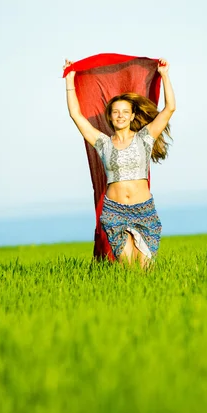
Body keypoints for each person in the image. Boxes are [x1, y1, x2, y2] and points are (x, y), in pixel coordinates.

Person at [64, 58, 176, 267]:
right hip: (114, 212)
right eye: (116, 112)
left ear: (132, 115)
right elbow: (76, 115)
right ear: (111, 116)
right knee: (127, 267)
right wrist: (70, 79)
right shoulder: (103, 143)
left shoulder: (145, 137)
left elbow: (169, 108)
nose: (120, 116)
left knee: (144, 269)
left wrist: (165, 75)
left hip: (143, 211)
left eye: (125, 112)